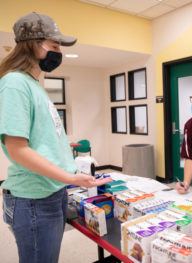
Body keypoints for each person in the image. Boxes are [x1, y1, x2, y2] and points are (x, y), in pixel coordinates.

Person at [0, 12, 111, 263]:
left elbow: (38, 136)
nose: (58, 52)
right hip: (33, 199)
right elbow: (17, 149)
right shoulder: (15, 83)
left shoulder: (32, 83)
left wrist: (62, 147)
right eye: (54, 45)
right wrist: (71, 177)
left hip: (50, 192)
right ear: (34, 44)